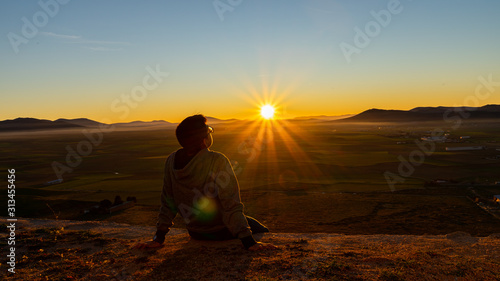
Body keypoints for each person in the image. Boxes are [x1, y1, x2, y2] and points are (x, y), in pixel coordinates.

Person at [134, 114, 277, 251]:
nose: (210, 134)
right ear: (203, 141)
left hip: (195, 232)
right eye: (209, 132)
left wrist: (158, 238)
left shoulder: (171, 160)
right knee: (262, 230)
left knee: (250, 221)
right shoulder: (217, 161)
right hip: (221, 230)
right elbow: (231, 205)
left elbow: (167, 202)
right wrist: (249, 242)